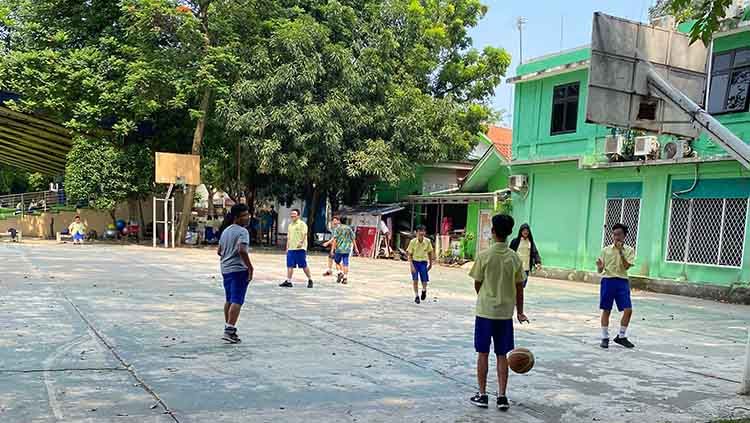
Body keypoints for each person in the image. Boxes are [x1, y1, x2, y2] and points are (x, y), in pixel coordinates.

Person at [469, 214, 528, 411]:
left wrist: (485, 297)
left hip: (485, 312)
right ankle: (502, 397)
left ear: (493, 232)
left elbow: (477, 283)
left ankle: (483, 394)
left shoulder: (484, 256)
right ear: (510, 232)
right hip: (505, 314)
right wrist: (520, 312)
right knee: (502, 354)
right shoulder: (515, 258)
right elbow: (520, 288)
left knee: (483, 353)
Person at [217, 204, 254, 344]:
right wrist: (250, 267)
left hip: (225, 269)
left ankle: (228, 326)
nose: (247, 218)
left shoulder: (225, 231)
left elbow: (219, 251)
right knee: (237, 300)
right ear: (237, 217)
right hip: (238, 269)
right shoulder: (243, 232)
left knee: (229, 299)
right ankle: (229, 330)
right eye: (245, 215)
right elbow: (242, 250)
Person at [596, 223, 636, 349]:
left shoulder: (629, 250)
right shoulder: (605, 250)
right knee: (606, 310)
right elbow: (600, 270)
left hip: (622, 282)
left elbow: (626, 266)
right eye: (614, 234)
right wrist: (600, 267)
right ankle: (605, 337)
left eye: (619, 234)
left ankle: (621, 336)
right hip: (608, 281)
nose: (616, 237)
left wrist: (621, 252)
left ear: (624, 236)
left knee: (628, 310)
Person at [280, 209, 314, 288]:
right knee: (289, 265)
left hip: (300, 249)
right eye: (291, 214)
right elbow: (288, 237)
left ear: (298, 216)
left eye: (294, 214)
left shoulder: (302, 224)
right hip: (291, 249)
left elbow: (305, 234)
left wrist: (301, 242)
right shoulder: (290, 225)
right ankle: (288, 281)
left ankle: (310, 279)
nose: (292, 216)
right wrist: (287, 247)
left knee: (303, 265)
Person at [406, 225, 434, 304]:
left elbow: (430, 252)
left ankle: (424, 290)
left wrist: (431, 264)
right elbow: (410, 254)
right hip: (415, 262)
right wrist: (411, 266)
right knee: (415, 280)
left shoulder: (427, 241)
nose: (421, 233)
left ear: (425, 232)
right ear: (416, 233)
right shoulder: (413, 242)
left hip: (423, 262)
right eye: (419, 231)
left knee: (424, 279)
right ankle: (416, 296)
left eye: (423, 231)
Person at [509, 223, 542, 288]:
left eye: (527, 231)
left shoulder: (530, 242)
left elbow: (535, 252)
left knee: (523, 285)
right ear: (521, 231)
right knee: (515, 285)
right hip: (516, 268)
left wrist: (538, 262)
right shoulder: (515, 241)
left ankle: (518, 297)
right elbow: (509, 253)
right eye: (524, 230)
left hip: (526, 268)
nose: (525, 232)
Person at [331, 215, 356, 284]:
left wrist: (332, 250)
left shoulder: (338, 229)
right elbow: (353, 238)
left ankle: (340, 272)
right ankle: (345, 278)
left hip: (339, 249)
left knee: (337, 262)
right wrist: (356, 248)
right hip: (347, 249)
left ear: (340, 221)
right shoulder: (349, 228)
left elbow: (335, 240)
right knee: (345, 264)